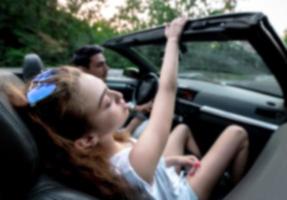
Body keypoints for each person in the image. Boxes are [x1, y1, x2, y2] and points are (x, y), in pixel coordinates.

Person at [5, 17, 249, 200]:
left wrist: (173, 160)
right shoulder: (133, 164)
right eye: (107, 102)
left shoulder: (98, 161)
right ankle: (239, 191)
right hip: (179, 195)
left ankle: (204, 168)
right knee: (237, 133)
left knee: (182, 128)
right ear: (87, 139)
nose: (118, 95)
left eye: (107, 88)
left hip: (162, 176)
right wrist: (173, 39)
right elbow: (167, 89)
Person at [71, 37, 201, 158]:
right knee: (181, 129)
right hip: (126, 147)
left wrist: (138, 111)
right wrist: (131, 127)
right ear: (82, 70)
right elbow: (168, 89)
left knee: (143, 119)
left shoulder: (92, 90)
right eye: (100, 65)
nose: (107, 68)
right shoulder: (82, 101)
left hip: (122, 141)